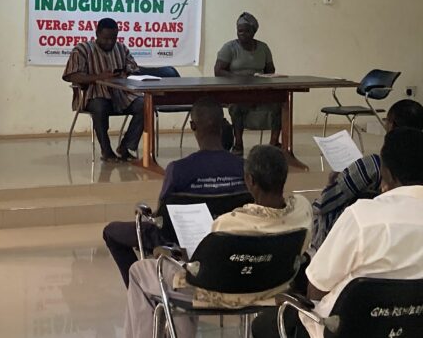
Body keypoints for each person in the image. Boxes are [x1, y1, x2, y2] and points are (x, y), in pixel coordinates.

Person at [124, 145, 313, 338]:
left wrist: (173, 254)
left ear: (250, 180)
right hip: (273, 288)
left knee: (139, 271)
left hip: (220, 293)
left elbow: (205, 267)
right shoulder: (302, 212)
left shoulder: (230, 223)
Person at [252, 127, 423, 338]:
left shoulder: (363, 217)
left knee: (263, 325)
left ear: (386, 171)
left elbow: (316, 287)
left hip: (346, 330)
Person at [103, 97, 247, 287]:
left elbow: (162, 218)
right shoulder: (244, 167)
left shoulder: (178, 169)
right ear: (224, 125)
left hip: (182, 242)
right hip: (233, 240)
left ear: (192, 126)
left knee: (111, 232)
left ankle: (141, 291)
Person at [311, 98, 423, 250]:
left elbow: (324, 205)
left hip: (364, 240)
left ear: (392, 125)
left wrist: (331, 184)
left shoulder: (373, 165)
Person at [63, 17, 143, 162]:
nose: (110, 42)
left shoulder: (122, 49)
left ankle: (126, 147)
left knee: (145, 104)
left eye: (113, 38)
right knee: (100, 106)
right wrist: (99, 77)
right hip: (94, 95)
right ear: (97, 34)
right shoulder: (82, 50)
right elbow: (72, 75)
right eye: (106, 39)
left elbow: (134, 69)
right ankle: (106, 151)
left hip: (121, 95)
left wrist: (127, 73)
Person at [214, 12, 281, 154]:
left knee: (279, 104)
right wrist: (238, 78)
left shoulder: (263, 48)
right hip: (237, 91)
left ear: (254, 32)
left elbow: (270, 69)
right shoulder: (229, 48)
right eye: (240, 31)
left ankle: (274, 143)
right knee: (237, 107)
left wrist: (262, 77)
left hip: (260, 89)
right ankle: (238, 144)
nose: (242, 34)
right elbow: (218, 71)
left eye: (247, 31)